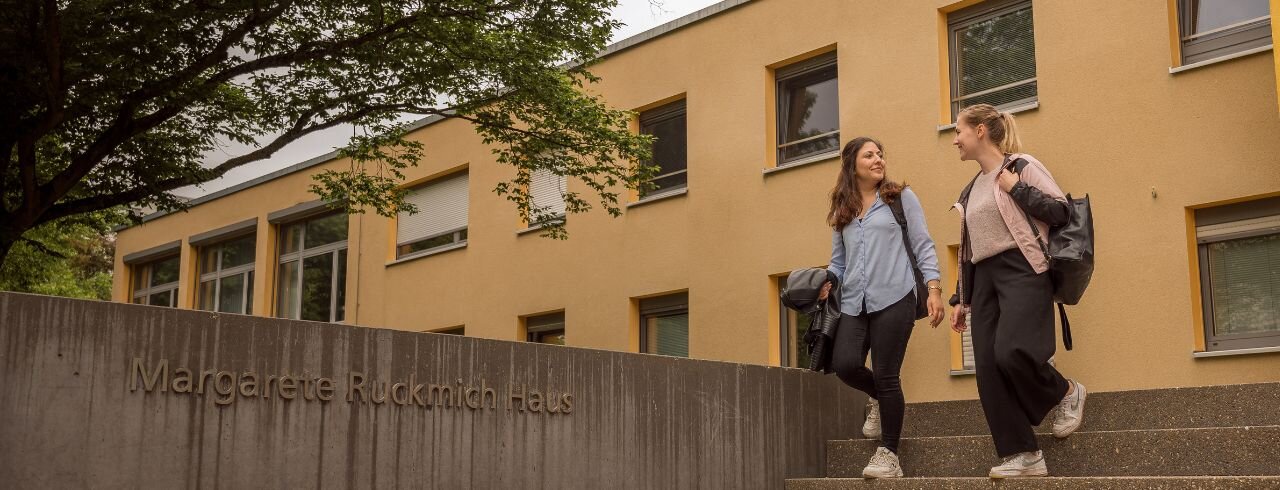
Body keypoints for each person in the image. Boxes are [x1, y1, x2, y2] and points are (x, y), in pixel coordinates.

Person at [947, 103, 1086, 479]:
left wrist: (1018, 189)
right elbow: (970, 249)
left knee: (1011, 352)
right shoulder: (970, 189)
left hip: (1023, 268)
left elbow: (1061, 212)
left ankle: (1065, 392)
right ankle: (1023, 454)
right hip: (984, 278)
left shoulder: (1022, 166)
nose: (954, 139)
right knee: (987, 369)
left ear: (979, 131)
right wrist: (961, 298)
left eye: (958, 130)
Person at [819, 136, 945, 479]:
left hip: (896, 297)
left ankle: (889, 454)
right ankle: (879, 398)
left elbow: (923, 244)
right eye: (869, 155)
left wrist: (933, 289)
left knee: (887, 374)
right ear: (852, 165)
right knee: (845, 365)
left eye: (880, 154)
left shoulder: (899, 198)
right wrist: (827, 280)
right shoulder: (843, 209)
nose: (878, 160)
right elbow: (838, 261)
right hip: (854, 302)